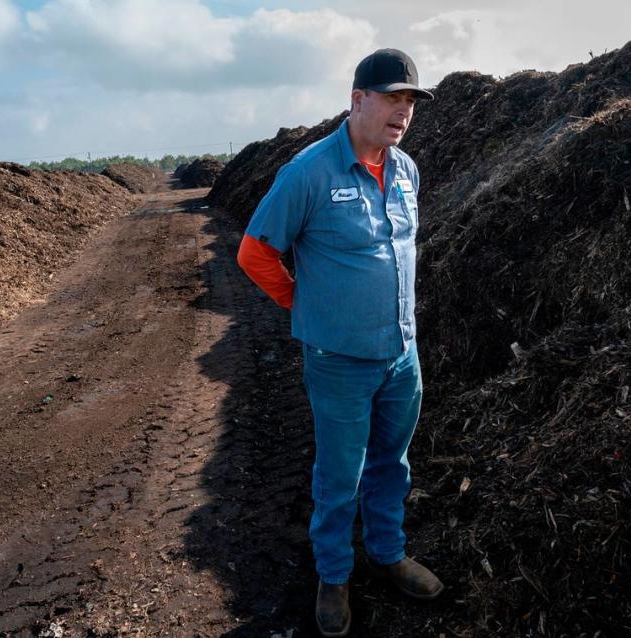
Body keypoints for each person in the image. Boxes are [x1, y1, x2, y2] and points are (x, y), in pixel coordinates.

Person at [236, 48, 442, 637]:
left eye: (410, 101)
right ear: (358, 100)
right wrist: (301, 304)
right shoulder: (309, 172)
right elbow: (255, 253)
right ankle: (333, 575)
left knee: (391, 464)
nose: (403, 112)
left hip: (402, 355)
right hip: (339, 362)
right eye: (392, 98)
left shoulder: (406, 170)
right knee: (339, 473)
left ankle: (387, 553)